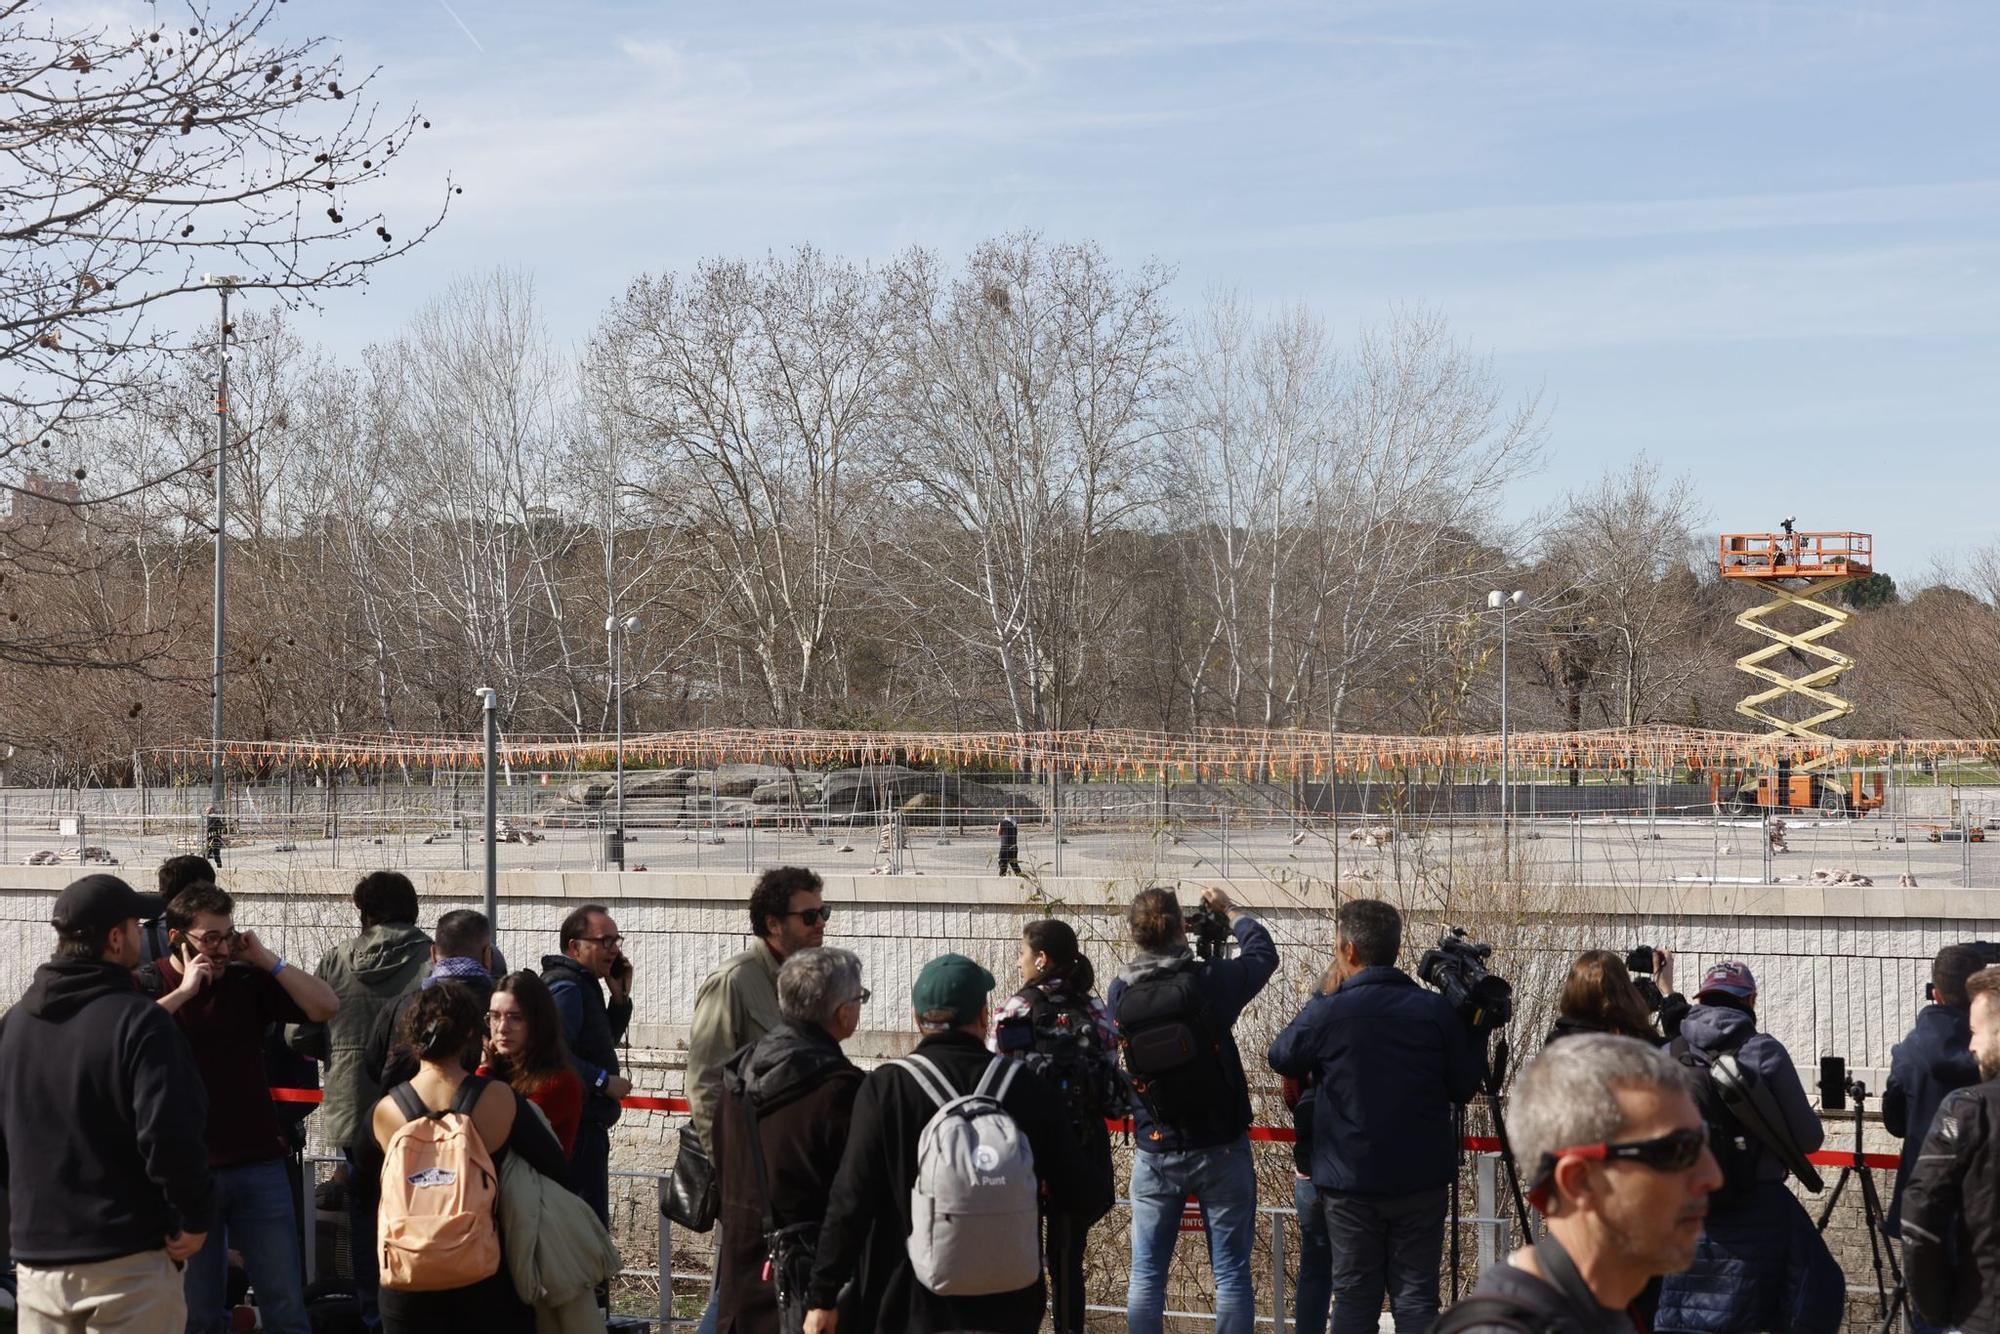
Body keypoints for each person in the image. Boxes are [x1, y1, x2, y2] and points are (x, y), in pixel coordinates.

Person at [802, 954, 1087, 1334]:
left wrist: (822, 1296)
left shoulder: (887, 1088)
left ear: (919, 1020)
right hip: (1010, 1307)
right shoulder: (1026, 1086)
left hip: (907, 1304)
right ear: (984, 1016)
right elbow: (1082, 1190)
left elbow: (850, 1200)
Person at [0, 875, 214, 1334]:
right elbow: (171, 1134)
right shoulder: (140, 1022)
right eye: (136, 924)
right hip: (126, 1262)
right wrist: (194, 1217)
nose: (141, 933)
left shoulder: (14, 1025)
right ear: (115, 939)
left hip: (38, 1266)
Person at [1268, 898, 1482, 1334]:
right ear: (1396, 950)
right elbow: (1464, 1086)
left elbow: (1282, 1055)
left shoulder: (1330, 1012)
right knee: (1417, 1298)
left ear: (1347, 951)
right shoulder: (1434, 1012)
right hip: (1420, 1180)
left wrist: (1325, 997)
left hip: (1349, 1183)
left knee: (1353, 1298)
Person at [133, 882, 338, 1334]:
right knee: (199, 1313)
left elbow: (326, 1005)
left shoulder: (247, 982)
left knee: (285, 1306)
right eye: (211, 939)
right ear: (177, 938)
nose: (223, 948)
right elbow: (125, 1040)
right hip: (187, 1174)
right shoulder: (148, 984)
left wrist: (267, 960)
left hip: (258, 1164)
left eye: (228, 935)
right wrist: (185, 992)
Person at [1436, 1035, 1723, 1333]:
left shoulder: (1602, 1307)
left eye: (1705, 1141)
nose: (1713, 1177)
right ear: (1579, 1182)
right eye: (1678, 1150)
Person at [1108, 885, 1279, 1334]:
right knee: (1231, 1275)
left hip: (1157, 1143)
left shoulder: (1120, 991)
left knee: (1146, 1275)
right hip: (1221, 1144)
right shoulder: (1210, 982)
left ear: (1134, 934)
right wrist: (1231, 912)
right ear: (1183, 928)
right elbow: (1263, 955)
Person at [369, 984, 571, 1334]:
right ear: (470, 1035)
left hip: (406, 1276)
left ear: (411, 1034)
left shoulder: (385, 1111)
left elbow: (363, 1187)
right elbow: (555, 1166)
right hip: (483, 1274)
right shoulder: (499, 1100)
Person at [1654, 961, 1841, 1334]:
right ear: (1750, 1000)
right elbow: (1810, 1139)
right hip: (1755, 1212)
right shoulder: (1763, 1051)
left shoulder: (1665, 1054)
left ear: (1700, 998)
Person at [288, 872, 430, 1334]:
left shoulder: (336, 960)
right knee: (428, 1212)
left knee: (368, 1218)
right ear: (412, 910)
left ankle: (375, 1318)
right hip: (423, 1109)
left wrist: (337, 1048)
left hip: (355, 1110)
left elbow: (299, 1031)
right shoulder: (433, 957)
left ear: (363, 914)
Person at [687, 867, 826, 1332]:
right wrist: (734, 1174)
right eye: (809, 916)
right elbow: (706, 1088)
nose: (820, 925)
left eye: (823, 913)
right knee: (735, 1298)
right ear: (773, 923)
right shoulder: (735, 982)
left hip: (790, 1185)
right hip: (749, 1186)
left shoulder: (803, 982)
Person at [714, 948, 867, 1334]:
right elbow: (855, 1200)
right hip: (811, 1295)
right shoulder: (841, 1090)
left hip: (741, 1288)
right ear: (842, 1013)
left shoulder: (737, 1075)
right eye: (859, 998)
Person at [990, 919, 1121, 1334]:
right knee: (1068, 1262)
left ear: (1041, 959)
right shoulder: (1094, 1009)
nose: (1018, 963)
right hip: (1080, 1150)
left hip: (1024, 1155)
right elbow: (1111, 1074)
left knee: (1023, 1261)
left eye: (1022, 954)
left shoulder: (1017, 1008)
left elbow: (993, 1076)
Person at [1902, 963, 2000, 1331]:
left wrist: (1941, 1313)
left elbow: (1920, 1220)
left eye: (1975, 1032)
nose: (1971, 1045)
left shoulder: (1970, 1108)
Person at [1884, 944, 1986, 1279]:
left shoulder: (1909, 1052)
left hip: (1924, 1199)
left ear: (1935, 992)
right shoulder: (1990, 1052)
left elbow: (1896, 1123)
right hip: (1983, 1202)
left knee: (1928, 1312)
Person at [542, 904, 633, 1226]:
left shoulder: (585, 984)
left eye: (616, 940)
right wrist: (601, 1081)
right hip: (576, 1132)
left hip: (587, 1129)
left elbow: (597, 1043)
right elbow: (551, 1052)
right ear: (574, 946)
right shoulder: (567, 987)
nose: (614, 950)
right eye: (604, 941)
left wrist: (619, 1000)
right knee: (584, 1232)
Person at [362, 909, 497, 1095]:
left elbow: (373, 1065)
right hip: (485, 1117)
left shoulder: (399, 1007)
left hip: (405, 1116)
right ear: (487, 956)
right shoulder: (504, 1009)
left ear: (433, 954)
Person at [480, 971, 585, 1159]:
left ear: (538, 1022)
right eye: (495, 1017)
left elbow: (493, 1132)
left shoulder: (558, 1082)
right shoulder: (501, 1068)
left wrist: (484, 1072)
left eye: (515, 1017)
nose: (502, 1028)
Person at [1546, 950, 1686, 1048]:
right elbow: (1687, 1054)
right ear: (1624, 991)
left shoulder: (1557, 1045)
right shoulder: (1640, 1047)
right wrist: (1668, 992)